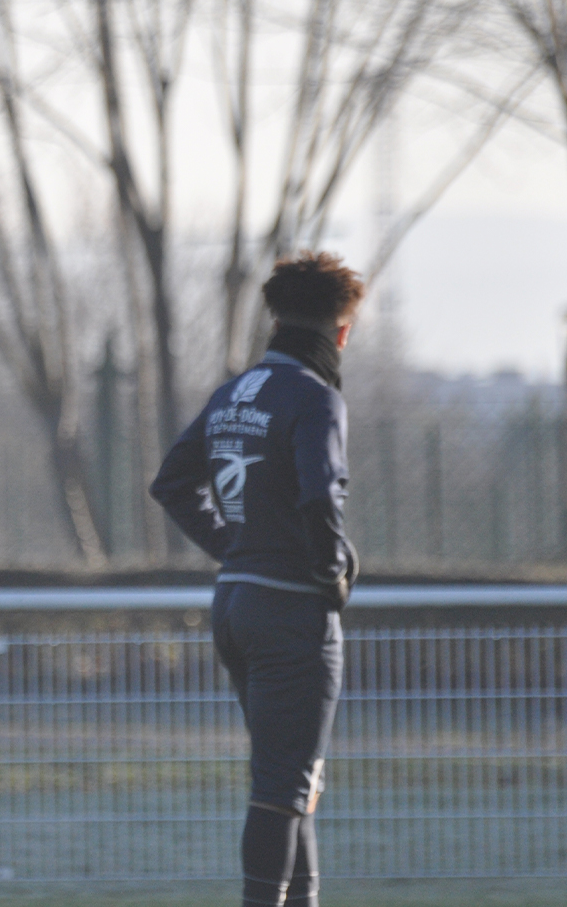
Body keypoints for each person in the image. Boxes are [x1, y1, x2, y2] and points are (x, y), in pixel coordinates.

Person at [151, 252, 365, 907]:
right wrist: (331, 570)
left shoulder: (234, 393)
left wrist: (235, 547)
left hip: (236, 603)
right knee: (282, 788)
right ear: (341, 331)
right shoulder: (316, 397)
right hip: (291, 609)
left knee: (292, 781)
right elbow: (320, 495)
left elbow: (171, 483)